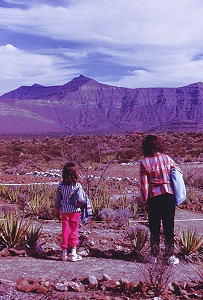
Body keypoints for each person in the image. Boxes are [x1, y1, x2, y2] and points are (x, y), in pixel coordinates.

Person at [139, 135, 180, 265]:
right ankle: (170, 256)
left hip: (154, 198)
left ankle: (154, 255)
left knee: (154, 228)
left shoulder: (144, 163)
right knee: (169, 227)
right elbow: (177, 172)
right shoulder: (167, 159)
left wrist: (144, 202)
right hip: (168, 196)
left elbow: (144, 186)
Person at [55, 162, 85, 261]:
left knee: (65, 230)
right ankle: (73, 252)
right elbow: (81, 199)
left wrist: (57, 209)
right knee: (74, 230)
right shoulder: (77, 186)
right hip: (75, 211)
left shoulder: (60, 186)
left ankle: (64, 252)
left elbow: (57, 200)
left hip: (64, 211)